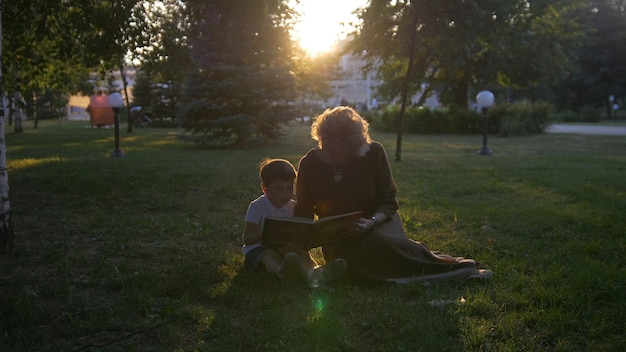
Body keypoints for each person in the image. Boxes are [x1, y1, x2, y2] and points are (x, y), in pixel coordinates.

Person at [294, 106, 493, 283]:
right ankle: (431, 262)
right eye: (336, 148)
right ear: (324, 140)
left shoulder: (373, 153)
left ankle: (450, 268)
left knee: (379, 244)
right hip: (340, 236)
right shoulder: (309, 164)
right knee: (352, 260)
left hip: (380, 221)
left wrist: (369, 223)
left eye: (349, 150)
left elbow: (388, 202)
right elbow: (304, 211)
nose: (342, 155)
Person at [242, 158, 347, 287]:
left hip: (286, 249)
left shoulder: (294, 207)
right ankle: (282, 272)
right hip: (259, 250)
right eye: (279, 189)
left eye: (289, 188)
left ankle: (314, 274)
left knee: (301, 254)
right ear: (265, 188)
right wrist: (267, 231)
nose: (285, 194)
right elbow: (247, 238)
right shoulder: (257, 207)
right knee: (269, 254)